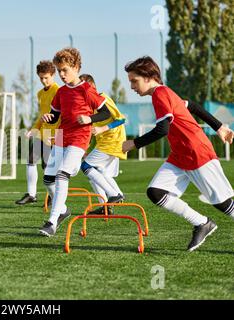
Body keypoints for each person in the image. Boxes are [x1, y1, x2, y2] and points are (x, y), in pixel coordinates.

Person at [122, 56, 234, 251]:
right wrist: (219, 128)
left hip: (197, 153)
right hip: (180, 156)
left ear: (149, 77)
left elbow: (162, 130)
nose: (132, 86)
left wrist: (134, 143)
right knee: (155, 192)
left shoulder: (160, 94)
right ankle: (201, 223)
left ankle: (204, 223)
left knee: (223, 204)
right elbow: (192, 106)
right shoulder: (164, 93)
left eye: (134, 81)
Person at [39, 47, 113, 237]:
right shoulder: (61, 92)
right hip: (62, 137)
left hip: (79, 140)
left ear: (76, 67)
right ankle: (63, 210)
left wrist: (90, 119)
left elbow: (107, 113)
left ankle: (52, 222)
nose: (62, 74)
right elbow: (56, 116)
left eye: (65, 70)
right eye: (59, 70)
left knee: (62, 175)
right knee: (48, 179)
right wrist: (49, 117)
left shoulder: (87, 90)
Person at [78, 74, 126, 214]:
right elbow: (92, 130)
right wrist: (86, 146)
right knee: (98, 174)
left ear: (92, 87)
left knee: (86, 166)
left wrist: (102, 128)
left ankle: (114, 195)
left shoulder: (102, 98)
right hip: (104, 142)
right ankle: (107, 206)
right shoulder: (89, 107)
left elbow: (121, 119)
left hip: (113, 141)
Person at [16, 61, 60, 205]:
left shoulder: (58, 91)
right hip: (42, 133)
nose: (43, 80)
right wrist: (33, 129)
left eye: (46, 77)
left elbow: (60, 115)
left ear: (53, 75)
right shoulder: (40, 93)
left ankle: (53, 197)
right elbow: (42, 115)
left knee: (47, 167)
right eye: (41, 78)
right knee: (30, 160)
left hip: (55, 135)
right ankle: (31, 194)